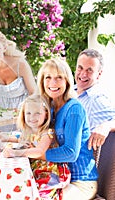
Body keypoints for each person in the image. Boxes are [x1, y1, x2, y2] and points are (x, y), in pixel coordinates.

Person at [37, 58, 98, 199]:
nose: (53, 83)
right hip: (58, 177)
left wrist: (36, 153)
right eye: (48, 77)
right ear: (42, 82)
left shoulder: (74, 109)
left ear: (67, 82)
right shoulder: (50, 109)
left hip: (80, 182)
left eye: (59, 77)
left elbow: (70, 153)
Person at [75, 48, 115, 150]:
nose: (83, 74)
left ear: (99, 74)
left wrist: (107, 126)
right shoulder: (69, 90)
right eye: (80, 68)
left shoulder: (97, 99)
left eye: (89, 70)